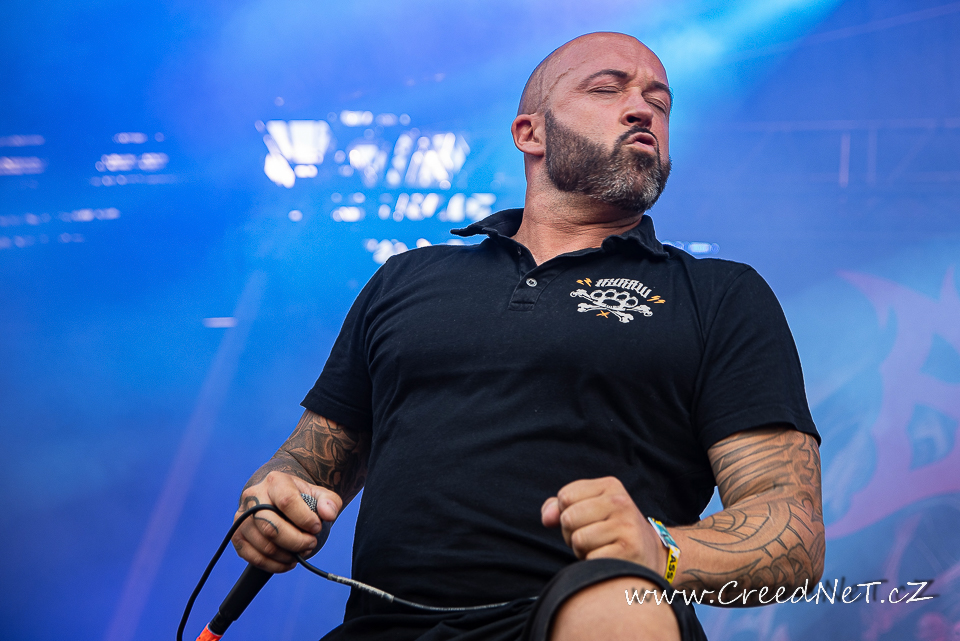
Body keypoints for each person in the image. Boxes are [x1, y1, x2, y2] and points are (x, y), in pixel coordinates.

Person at [231, 32, 824, 641]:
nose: (642, 109)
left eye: (659, 102)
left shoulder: (718, 294)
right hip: (381, 628)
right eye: (607, 89)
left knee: (617, 609)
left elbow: (793, 535)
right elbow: (308, 463)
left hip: (587, 619)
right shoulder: (407, 278)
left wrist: (660, 550)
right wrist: (272, 502)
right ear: (529, 133)